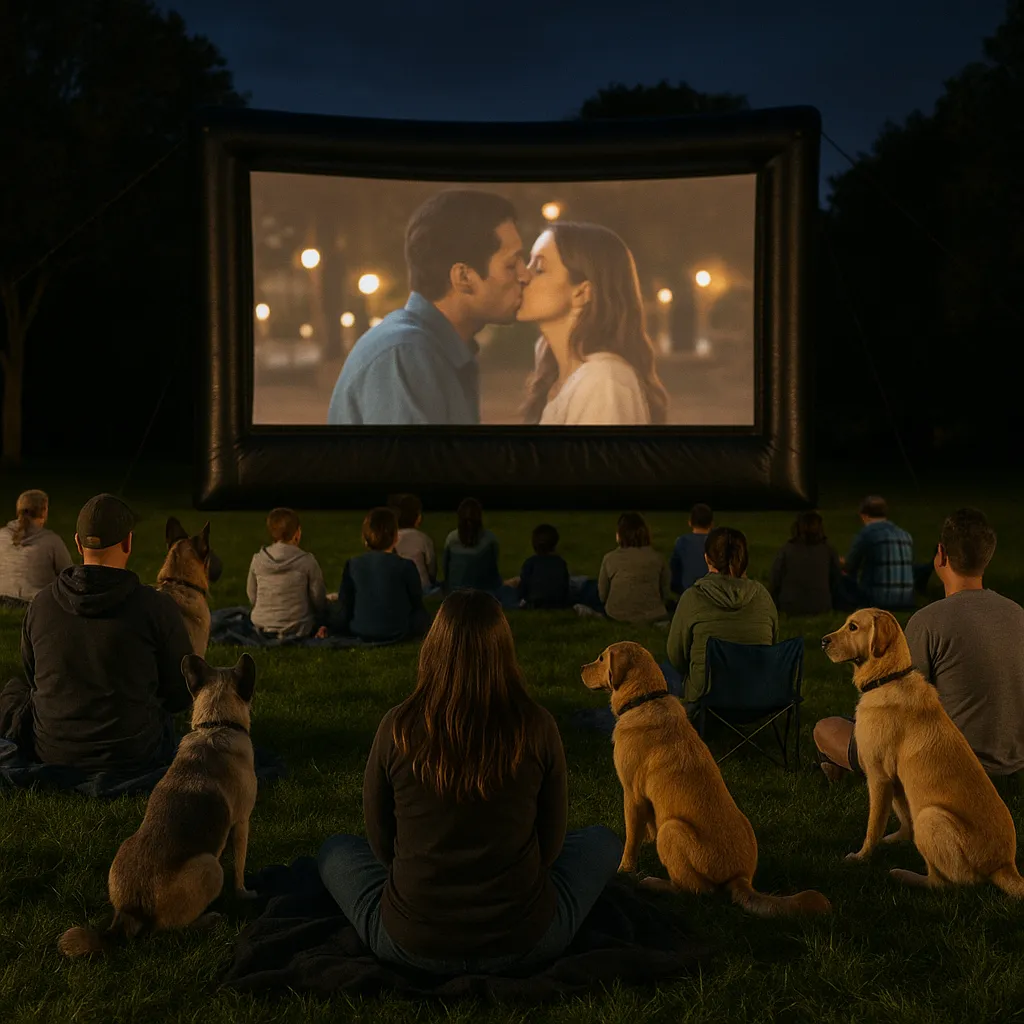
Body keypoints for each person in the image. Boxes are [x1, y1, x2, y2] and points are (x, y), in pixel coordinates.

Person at [317, 589, 623, 974]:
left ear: (434, 648)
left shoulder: (397, 727)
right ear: (503, 651)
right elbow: (550, 846)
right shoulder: (537, 725)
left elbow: (381, 844)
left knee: (337, 850)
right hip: (527, 939)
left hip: (410, 940)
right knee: (602, 841)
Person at [814, 508, 1024, 786]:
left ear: (942, 555)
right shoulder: (1018, 614)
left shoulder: (929, 621)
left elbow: (898, 707)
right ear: (987, 557)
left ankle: (843, 780)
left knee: (825, 729)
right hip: (1012, 762)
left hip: (945, 765)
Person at [0, 494, 192, 771]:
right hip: (135, 752)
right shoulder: (156, 607)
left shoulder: (41, 604)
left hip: (52, 749)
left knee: (14, 691)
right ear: (128, 542)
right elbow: (179, 695)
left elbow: (34, 679)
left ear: (77, 543)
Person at [327, 190, 530, 425]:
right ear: (463, 277)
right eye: (512, 264)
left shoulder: (440, 348)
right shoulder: (406, 353)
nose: (525, 275)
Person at [518, 222, 669, 426]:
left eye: (539, 268)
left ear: (582, 293)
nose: (523, 276)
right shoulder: (562, 379)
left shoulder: (604, 381)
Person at [666, 527, 779, 705]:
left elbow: (676, 655)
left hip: (707, 698)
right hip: (757, 696)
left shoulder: (692, 597)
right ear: (744, 560)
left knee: (665, 671)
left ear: (707, 558)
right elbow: (772, 645)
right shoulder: (762, 596)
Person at [340, 507, 429, 642]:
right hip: (399, 630)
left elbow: (345, 604)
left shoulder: (353, 564)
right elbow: (416, 603)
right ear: (396, 537)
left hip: (360, 629)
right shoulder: (405, 566)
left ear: (365, 538)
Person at [247, 508, 329, 639]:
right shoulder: (307, 561)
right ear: (297, 533)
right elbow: (318, 599)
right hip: (299, 627)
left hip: (262, 624)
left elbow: (252, 596)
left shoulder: (258, 560)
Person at [836, 495, 915, 610]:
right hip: (907, 599)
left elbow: (850, 567)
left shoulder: (867, 534)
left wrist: (838, 562)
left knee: (842, 578)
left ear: (863, 515)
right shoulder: (905, 535)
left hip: (876, 599)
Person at [595, 512, 672, 624]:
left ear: (620, 534)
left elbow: (602, 595)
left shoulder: (609, 558)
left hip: (616, 615)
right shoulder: (658, 558)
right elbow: (666, 593)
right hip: (655, 615)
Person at [0, 489, 72, 606]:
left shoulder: (1, 536)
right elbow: (69, 576)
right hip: (36, 602)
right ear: (44, 511)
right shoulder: (51, 541)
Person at [442, 498, 517, 608]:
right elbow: (493, 570)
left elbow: (446, 568)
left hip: (455, 592)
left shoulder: (451, 538)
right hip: (484, 592)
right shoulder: (490, 539)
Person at [769, 511, 842, 616]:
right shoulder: (828, 549)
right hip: (821, 606)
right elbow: (836, 579)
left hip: (790, 606)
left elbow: (775, 580)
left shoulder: (786, 550)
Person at [390, 493, 438, 594]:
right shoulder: (423, 539)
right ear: (417, 517)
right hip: (422, 588)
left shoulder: (389, 538)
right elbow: (432, 570)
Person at [517, 524, 571, 609]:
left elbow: (523, 587)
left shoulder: (530, 562)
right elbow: (565, 587)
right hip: (558, 603)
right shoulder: (560, 562)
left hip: (534, 603)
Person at [669, 502, 713, 595]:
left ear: (690, 522)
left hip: (689, 593)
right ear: (711, 523)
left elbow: (674, 571)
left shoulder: (682, 542)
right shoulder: (717, 542)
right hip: (713, 593)